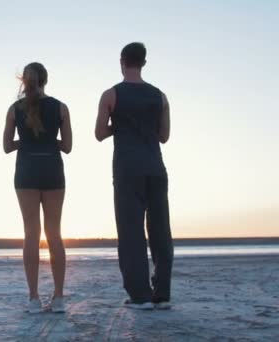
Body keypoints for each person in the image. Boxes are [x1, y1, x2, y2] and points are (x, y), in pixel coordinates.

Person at [95, 42, 173, 310]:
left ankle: (140, 295)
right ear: (143, 63)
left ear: (122, 61)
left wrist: (119, 124)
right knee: (161, 228)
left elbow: (99, 133)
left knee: (131, 232)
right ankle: (162, 293)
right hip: (155, 166)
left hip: (128, 168)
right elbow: (164, 136)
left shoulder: (110, 95)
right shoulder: (161, 96)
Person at [3, 62, 72, 313]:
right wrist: (48, 139)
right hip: (52, 171)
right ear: (45, 80)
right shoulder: (61, 107)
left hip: (26, 173)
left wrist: (27, 140)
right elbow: (67, 146)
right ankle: (59, 298)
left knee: (31, 234)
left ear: (25, 81)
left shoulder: (14, 109)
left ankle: (33, 298)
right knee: (54, 233)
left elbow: (7, 146)